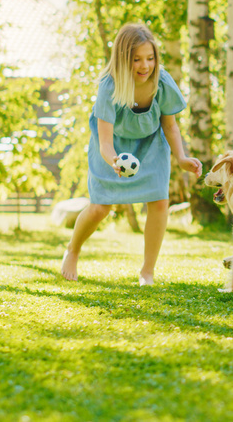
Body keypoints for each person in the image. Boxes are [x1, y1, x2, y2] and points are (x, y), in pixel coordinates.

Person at [61, 23, 203, 285]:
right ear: (123, 58)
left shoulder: (161, 82)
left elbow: (170, 126)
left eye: (150, 58)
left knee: (160, 202)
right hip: (113, 148)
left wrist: (182, 158)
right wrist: (113, 160)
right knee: (99, 209)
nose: (144, 65)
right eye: (137, 59)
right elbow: (104, 141)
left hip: (151, 146)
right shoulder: (109, 86)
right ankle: (73, 249)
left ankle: (147, 271)